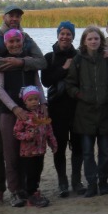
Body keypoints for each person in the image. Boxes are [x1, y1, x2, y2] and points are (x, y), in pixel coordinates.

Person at [0, 5, 45, 204]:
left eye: (18, 16)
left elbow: (41, 62)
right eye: (11, 15)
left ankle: (25, 186)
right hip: (1, 101)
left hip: (29, 101)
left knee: (26, 144)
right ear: (4, 17)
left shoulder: (27, 40)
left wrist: (22, 63)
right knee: (0, 145)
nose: (14, 18)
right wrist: (18, 63)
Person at [66, 25, 108, 196]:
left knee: (105, 152)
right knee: (88, 153)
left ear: (101, 40)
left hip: (105, 113)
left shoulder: (107, 59)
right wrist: (80, 94)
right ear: (84, 41)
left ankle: (103, 182)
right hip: (85, 114)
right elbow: (70, 84)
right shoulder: (77, 60)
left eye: (96, 38)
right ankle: (91, 183)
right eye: (89, 39)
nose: (93, 41)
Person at [41, 21, 81, 197]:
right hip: (57, 109)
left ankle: (76, 180)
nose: (65, 37)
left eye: (68, 34)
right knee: (59, 147)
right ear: (57, 35)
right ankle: (62, 181)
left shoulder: (79, 56)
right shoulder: (49, 57)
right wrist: (64, 68)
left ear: (73, 36)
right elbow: (46, 81)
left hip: (77, 108)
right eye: (62, 33)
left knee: (78, 146)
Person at [12, 86, 55, 207]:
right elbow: (16, 132)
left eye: (36, 99)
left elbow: (48, 129)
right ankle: (31, 195)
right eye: (30, 100)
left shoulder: (42, 114)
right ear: (25, 101)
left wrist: (52, 143)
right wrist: (28, 135)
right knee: (30, 173)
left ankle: (34, 192)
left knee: (38, 171)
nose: (34, 102)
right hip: (28, 152)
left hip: (40, 150)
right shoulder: (23, 116)